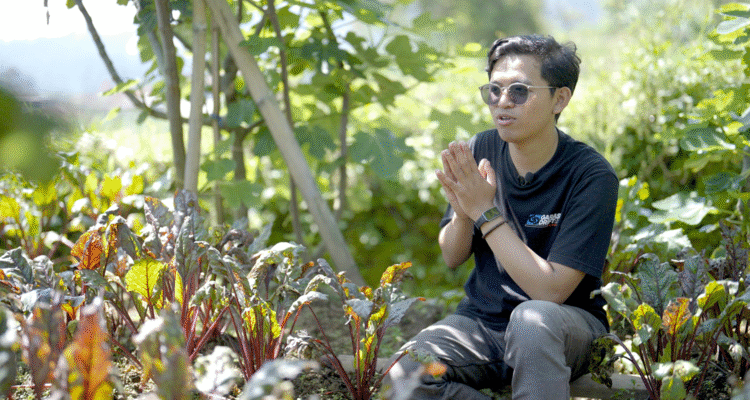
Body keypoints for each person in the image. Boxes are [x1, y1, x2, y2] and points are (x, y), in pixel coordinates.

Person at [387, 35, 618, 400]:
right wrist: (463, 212)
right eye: (494, 90)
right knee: (407, 369)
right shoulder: (481, 149)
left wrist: (484, 211)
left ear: (560, 99)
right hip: (483, 324)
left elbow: (551, 291)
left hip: (563, 328)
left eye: (520, 91)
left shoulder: (591, 175)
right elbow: (452, 255)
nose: (503, 102)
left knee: (532, 321)